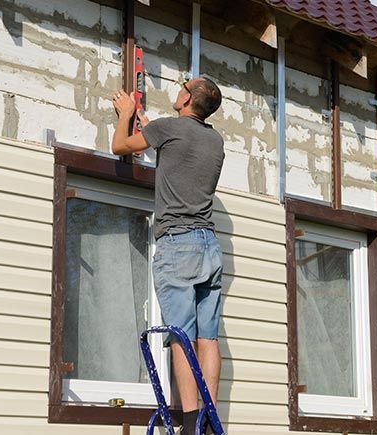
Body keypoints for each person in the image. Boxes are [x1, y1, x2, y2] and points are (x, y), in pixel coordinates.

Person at [111, 77, 225, 434]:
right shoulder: (214, 140)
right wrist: (149, 125)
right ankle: (209, 418)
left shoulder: (167, 129)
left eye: (184, 86)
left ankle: (190, 421)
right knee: (208, 338)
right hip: (210, 245)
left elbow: (119, 146)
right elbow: (172, 148)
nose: (179, 89)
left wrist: (126, 113)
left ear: (189, 99)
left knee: (181, 335)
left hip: (178, 243)